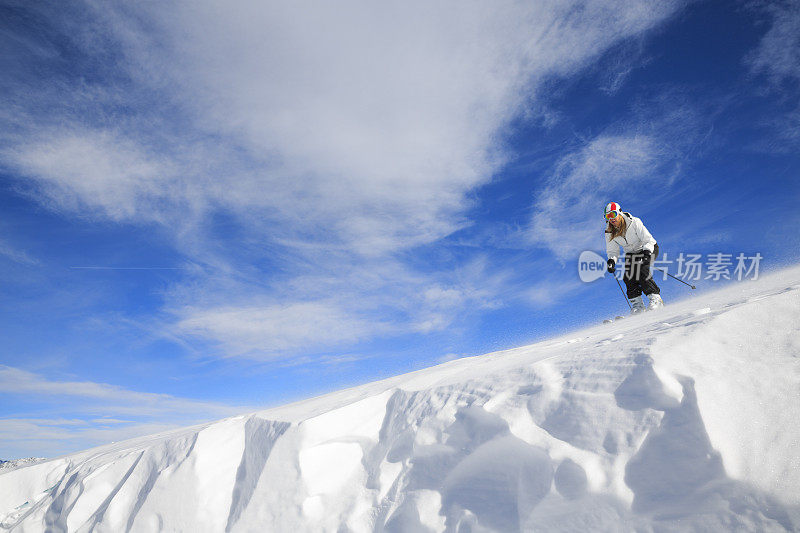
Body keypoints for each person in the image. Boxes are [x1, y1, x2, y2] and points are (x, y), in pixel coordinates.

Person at [604, 202, 663, 313]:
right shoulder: (609, 231)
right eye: (607, 216)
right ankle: (638, 306)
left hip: (649, 247)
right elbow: (613, 250)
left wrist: (646, 252)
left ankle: (656, 299)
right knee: (628, 277)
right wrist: (611, 260)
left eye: (612, 214)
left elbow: (648, 239)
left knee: (641, 269)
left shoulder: (634, 222)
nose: (611, 219)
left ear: (619, 213)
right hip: (632, 254)